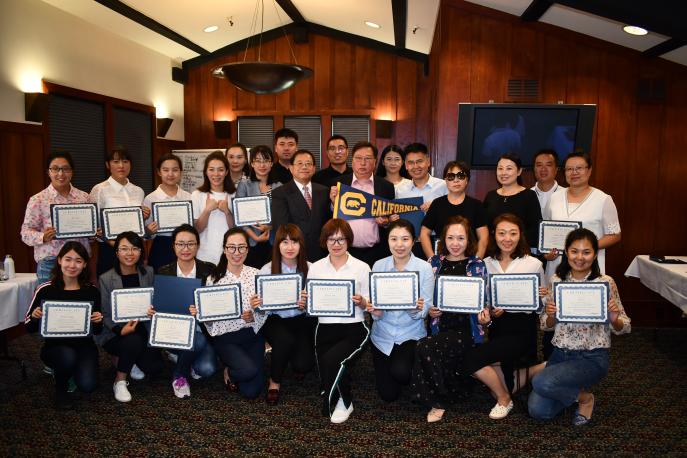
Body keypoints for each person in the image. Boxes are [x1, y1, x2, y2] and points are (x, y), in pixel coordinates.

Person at [528, 228, 631, 425]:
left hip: (591, 358)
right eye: (574, 251)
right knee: (539, 411)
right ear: (566, 252)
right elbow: (545, 326)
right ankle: (574, 390)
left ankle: (585, 399)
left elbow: (624, 327)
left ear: (595, 254)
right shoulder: (557, 281)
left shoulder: (605, 283)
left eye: (586, 252)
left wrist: (614, 318)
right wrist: (551, 316)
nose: (580, 258)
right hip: (560, 354)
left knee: (540, 381)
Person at [463, 214, 546, 420]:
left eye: (513, 233)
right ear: (494, 235)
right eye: (501, 233)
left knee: (471, 360)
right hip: (497, 328)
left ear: (520, 235)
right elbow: (483, 301)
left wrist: (541, 296)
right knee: (503, 384)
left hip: (523, 329)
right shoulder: (485, 263)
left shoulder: (534, 264)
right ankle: (540, 368)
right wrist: (489, 313)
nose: (507, 239)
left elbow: (541, 307)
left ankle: (504, 399)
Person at [409, 216, 490, 423]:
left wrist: (484, 319)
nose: (455, 243)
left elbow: (485, 301)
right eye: (451, 238)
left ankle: (438, 401)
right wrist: (430, 310)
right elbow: (426, 296)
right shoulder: (434, 263)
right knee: (429, 346)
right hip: (440, 325)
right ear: (443, 239)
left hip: (467, 329)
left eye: (461, 238)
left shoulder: (477, 264)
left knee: (425, 347)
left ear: (468, 240)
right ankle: (450, 391)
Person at [24, 241, 103, 410]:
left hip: (84, 347)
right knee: (66, 356)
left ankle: (72, 371)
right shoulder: (45, 289)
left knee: (88, 386)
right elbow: (28, 327)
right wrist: (35, 317)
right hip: (55, 348)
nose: (72, 265)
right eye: (68, 259)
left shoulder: (91, 291)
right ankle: (61, 388)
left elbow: (97, 331)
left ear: (85, 264)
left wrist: (98, 321)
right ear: (59, 260)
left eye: (78, 261)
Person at [307, 219, 371, 424]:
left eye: (341, 239)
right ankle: (333, 390)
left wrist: (362, 301)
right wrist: (305, 301)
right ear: (324, 241)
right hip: (325, 326)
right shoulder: (316, 268)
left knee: (332, 361)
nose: (336, 244)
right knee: (326, 365)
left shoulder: (362, 267)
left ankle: (346, 401)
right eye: (331, 239)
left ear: (348, 240)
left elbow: (370, 303)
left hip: (354, 327)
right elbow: (311, 303)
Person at [192, 228, 267, 399]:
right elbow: (210, 323)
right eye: (231, 247)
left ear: (247, 249)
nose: (236, 252)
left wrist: (255, 313)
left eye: (241, 247)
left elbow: (265, 311)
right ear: (225, 249)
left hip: (252, 335)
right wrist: (202, 315)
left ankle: (234, 369)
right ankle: (229, 371)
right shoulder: (214, 279)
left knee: (251, 391)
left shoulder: (257, 275)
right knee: (248, 371)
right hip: (226, 338)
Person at [368, 219, 433, 402]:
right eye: (394, 239)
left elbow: (425, 309)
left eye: (405, 239)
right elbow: (375, 308)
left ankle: (416, 369)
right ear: (387, 240)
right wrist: (376, 312)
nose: (399, 245)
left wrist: (414, 309)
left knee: (402, 373)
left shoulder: (424, 268)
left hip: (410, 334)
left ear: (414, 240)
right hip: (382, 335)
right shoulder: (379, 266)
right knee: (388, 395)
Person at [96, 232, 163, 403]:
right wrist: (120, 330)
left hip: (142, 327)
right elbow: (104, 314)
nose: (130, 253)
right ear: (117, 252)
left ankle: (124, 358)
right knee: (133, 340)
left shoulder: (149, 272)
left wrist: (153, 310)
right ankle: (119, 380)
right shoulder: (106, 278)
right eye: (124, 249)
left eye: (134, 248)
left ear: (141, 251)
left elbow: (156, 301)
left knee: (154, 367)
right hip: (116, 331)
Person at [254, 224, 315, 405]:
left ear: (301, 244)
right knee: (284, 339)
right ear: (277, 245)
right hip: (275, 320)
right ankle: (274, 381)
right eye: (285, 242)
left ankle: (291, 355)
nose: (290, 247)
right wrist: (258, 306)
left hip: (301, 320)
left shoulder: (311, 269)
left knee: (303, 365)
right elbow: (261, 310)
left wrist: (307, 305)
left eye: (294, 242)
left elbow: (318, 305)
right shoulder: (266, 270)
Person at [157, 224, 219, 398]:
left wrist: (202, 310)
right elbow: (162, 307)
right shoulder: (164, 271)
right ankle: (179, 375)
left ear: (198, 246)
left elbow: (214, 303)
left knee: (207, 369)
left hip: (201, 327)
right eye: (180, 244)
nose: (185, 249)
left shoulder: (209, 270)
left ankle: (185, 357)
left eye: (191, 244)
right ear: (173, 246)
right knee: (197, 340)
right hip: (175, 330)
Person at [544, 151, 620, 276]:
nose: (574, 172)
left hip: (588, 263)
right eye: (569, 169)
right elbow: (546, 230)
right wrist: (547, 252)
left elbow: (615, 235)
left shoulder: (603, 199)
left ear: (589, 170)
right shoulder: (554, 198)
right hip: (557, 264)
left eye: (579, 168)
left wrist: (585, 248)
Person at [21, 151, 92, 285]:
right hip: (51, 262)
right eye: (55, 169)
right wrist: (43, 236)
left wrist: (93, 233)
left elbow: (89, 235)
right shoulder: (38, 199)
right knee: (51, 298)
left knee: (80, 298)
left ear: (72, 172)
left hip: (79, 261)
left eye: (65, 169)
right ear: (48, 172)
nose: (60, 173)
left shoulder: (84, 197)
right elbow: (25, 234)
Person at [331, 141, 396, 267]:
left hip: (377, 251)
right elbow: (327, 217)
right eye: (358, 158)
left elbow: (391, 219)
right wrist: (334, 203)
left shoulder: (386, 186)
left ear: (375, 162)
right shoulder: (338, 184)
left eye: (367, 158)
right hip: (345, 250)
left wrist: (386, 222)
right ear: (352, 161)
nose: (362, 163)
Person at [89, 146, 149, 276]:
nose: (121, 166)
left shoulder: (138, 191)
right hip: (109, 250)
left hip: (134, 250)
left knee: (134, 286)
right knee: (110, 286)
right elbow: (95, 226)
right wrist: (116, 245)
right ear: (108, 165)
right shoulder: (99, 189)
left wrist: (143, 216)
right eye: (116, 161)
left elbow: (140, 225)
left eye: (125, 161)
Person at [531, 149, 564, 360]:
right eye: (538, 165)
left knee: (553, 303)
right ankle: (530, 352)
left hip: (556, 260)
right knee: (530, 304)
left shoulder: (565, 195)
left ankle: (551, 353)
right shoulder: (526, 194)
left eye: (548, 164)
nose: (543, 169)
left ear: (556, 169)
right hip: (531, 259)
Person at [271, 150, 332, 262]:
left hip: (322, 254)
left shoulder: (324, 191)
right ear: (291, 168)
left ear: (314, 168)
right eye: (299, 163)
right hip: (294, 254)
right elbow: (281, 227)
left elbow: (329, 222)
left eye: (308, 164)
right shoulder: (280, 193)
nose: (304, 167)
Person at [420, 161, 489, 259]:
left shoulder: (476, 205)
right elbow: (424, 233)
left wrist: (476, 262)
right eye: (451, 176)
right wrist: (432, 259)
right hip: (442, 260)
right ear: (445, 180)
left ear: (467, 180)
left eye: (460, 176)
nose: (456, 180)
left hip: (470, 259)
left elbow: (483, 237)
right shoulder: (437, 204)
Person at [396, 142, 448, 259]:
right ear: (406, 165)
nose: (415, 166)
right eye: (411, 163)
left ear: (428, 162)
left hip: (436, 241)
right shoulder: (400, 190)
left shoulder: (443, 186)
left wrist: (436, 208)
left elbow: (452, 214)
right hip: (409, 243)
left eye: (419, 161)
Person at [143, 153, 193, 272]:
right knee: (162, 280)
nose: (170, 174)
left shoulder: (189, 197)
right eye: (166, 170)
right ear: (159, 172)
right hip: (161, 247)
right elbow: (145, 234)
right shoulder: (150, 199)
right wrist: (148, 231)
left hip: (185, 246)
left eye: (175, 170)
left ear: (180, 172)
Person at [482, 153, 542, 253]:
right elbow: (484, 227)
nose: (503, 172)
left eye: (509, 168)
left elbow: (535, 229)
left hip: (520, 253)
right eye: (500, 168)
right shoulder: (491, 196)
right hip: (493, 253)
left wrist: (512, 245)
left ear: (519, 171)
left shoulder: (529, 195)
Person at [235, 145, 282, 268]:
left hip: (273, 240)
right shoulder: (244, 185)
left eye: (266, 161)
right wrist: (254, 236)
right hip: (250, 241)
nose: (262, 165)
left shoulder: (279, 186)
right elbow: (238, 216)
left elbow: (282, 215)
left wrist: (269, 227)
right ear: (252, 163)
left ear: (271, 163)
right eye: (258, 161)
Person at [191, 151, 236, 265]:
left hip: (230, 254)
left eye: (220, 170)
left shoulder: (234, 194)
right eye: (211, 169)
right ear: (206, 172)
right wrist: (207, 210)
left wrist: (227, 212)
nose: (216, 174)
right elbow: (196, 230)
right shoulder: (197, 195)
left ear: (226, 172)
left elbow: (235, 229)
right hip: (204, 254)